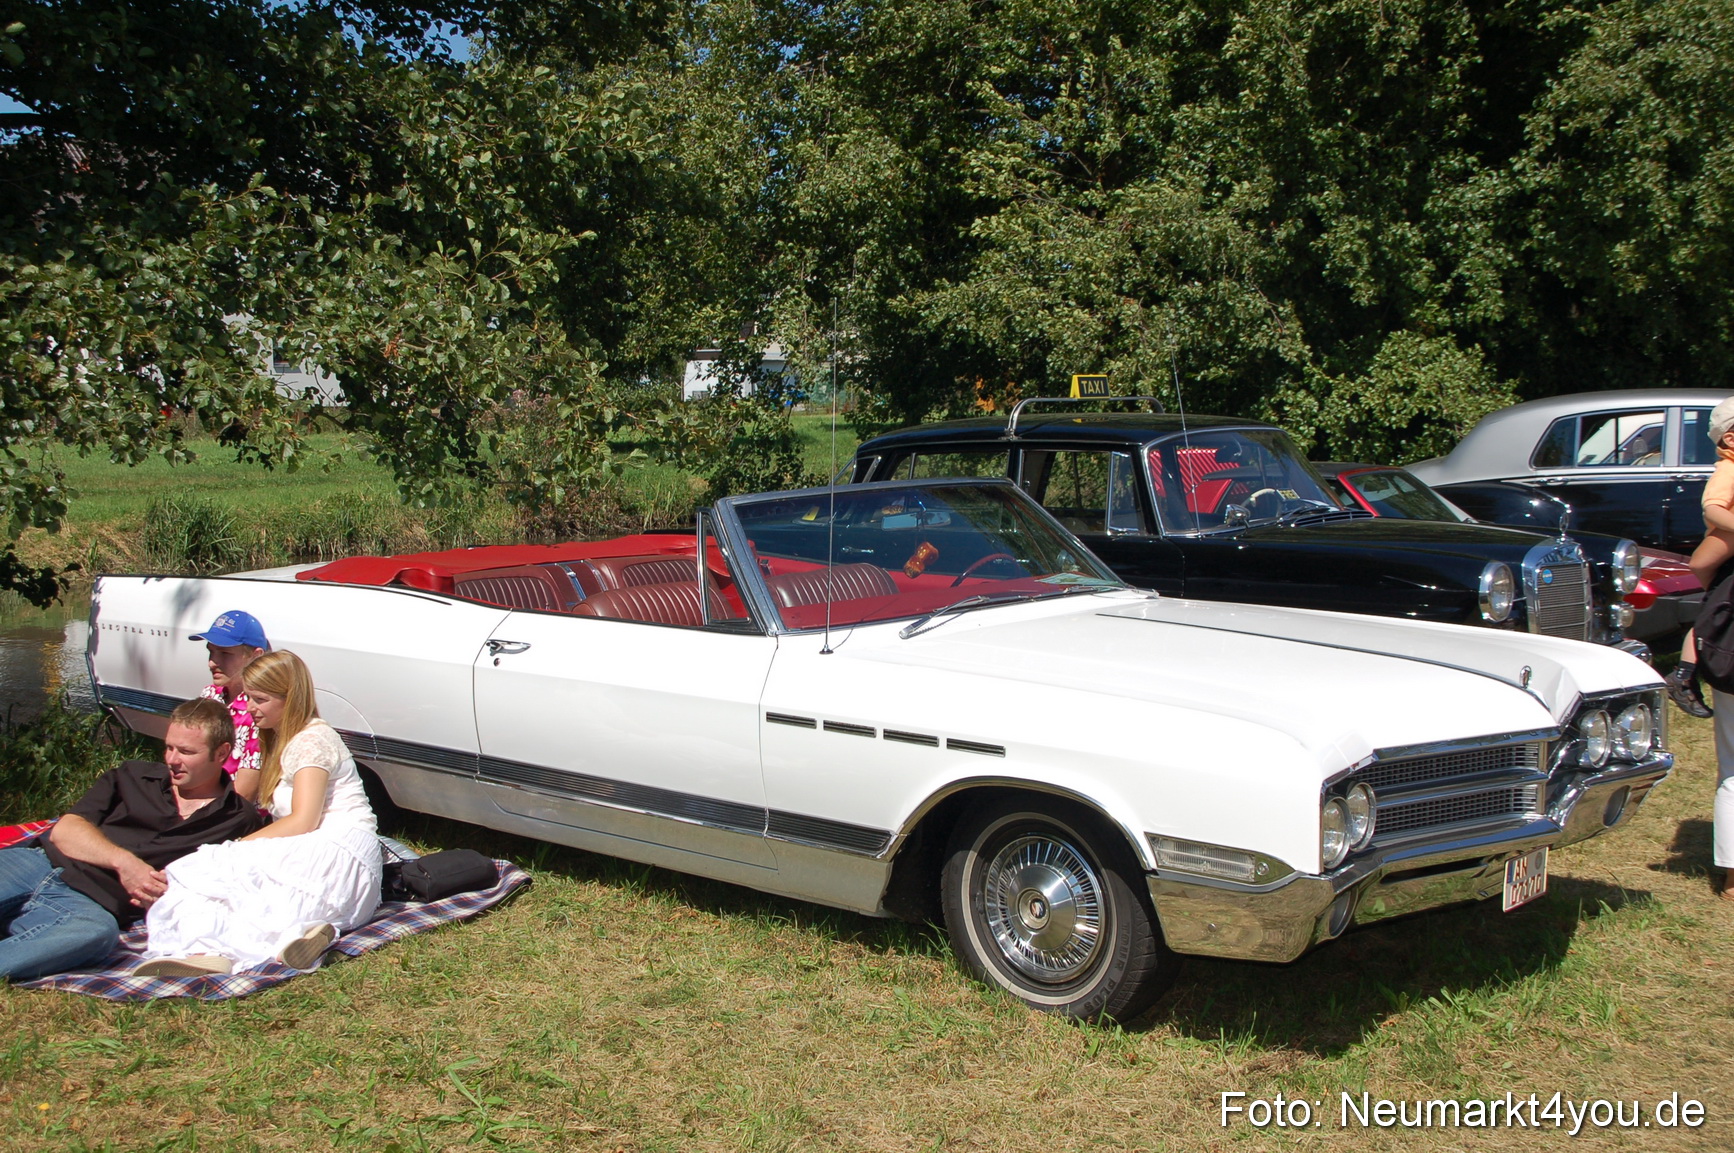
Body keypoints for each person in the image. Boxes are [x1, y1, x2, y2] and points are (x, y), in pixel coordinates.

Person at [139, 650, 382, 975]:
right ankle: (301, 934)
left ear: (289, 699)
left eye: (260, 699)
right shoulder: (290, 739)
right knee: (244, 894)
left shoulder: (311, 741)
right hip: (342, 870)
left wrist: (238, 846)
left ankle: (204, 948)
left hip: (336, 855)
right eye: (249, 697)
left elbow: (304, 819)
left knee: (200, 868)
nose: (250, 707)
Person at [0, 699, 265, 981]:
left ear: (222, 753)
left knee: (95, 934)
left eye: (186, 751)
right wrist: (124, 862)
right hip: (37, 863)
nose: (172, 759)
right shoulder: (133, 776)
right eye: (169, 747)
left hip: (90, 901)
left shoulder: (238, 819)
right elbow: (65, 830)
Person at [1665, 402, 1734, 719]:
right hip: (1723, 549)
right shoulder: (1728, 470)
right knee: (1712, 613)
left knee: (1711, 612)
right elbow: (1712, 509)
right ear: (1730, 439)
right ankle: (1683, 675)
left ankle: (1685, 674)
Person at [191, 609, 270, 800]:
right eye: (211, 652)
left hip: (232, 809)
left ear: (255, 656)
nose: (212, 663)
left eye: (225, 653)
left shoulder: (260, 711)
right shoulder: (211, 695)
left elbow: (244, 794)